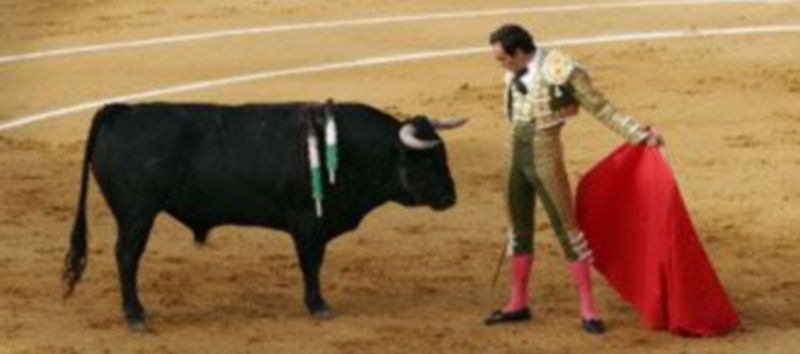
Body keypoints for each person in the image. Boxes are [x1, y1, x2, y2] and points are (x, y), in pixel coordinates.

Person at [484, 24, 664, 334]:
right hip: (515, 151)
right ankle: (517, 303)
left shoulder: (562, 71)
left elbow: (601, 107)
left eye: (503, 58)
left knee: (568, 229)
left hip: (545, 153)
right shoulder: (514, 72)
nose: (501, 65)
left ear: (518, 53)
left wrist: (637, 134)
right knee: (518, 228)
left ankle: (588, 310)